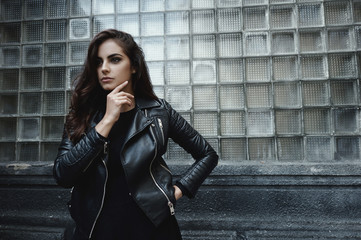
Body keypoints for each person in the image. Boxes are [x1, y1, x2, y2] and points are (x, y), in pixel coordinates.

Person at [53, 29, 218, 240]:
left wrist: (176, 191)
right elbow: (63, 174)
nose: (104, 68)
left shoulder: (159, 112)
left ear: (133, 66)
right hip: (97, 229)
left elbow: (207, 155)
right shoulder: (82, 114)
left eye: (114, 60)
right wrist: (107, 121)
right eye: (98, 62)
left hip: (153, 228)